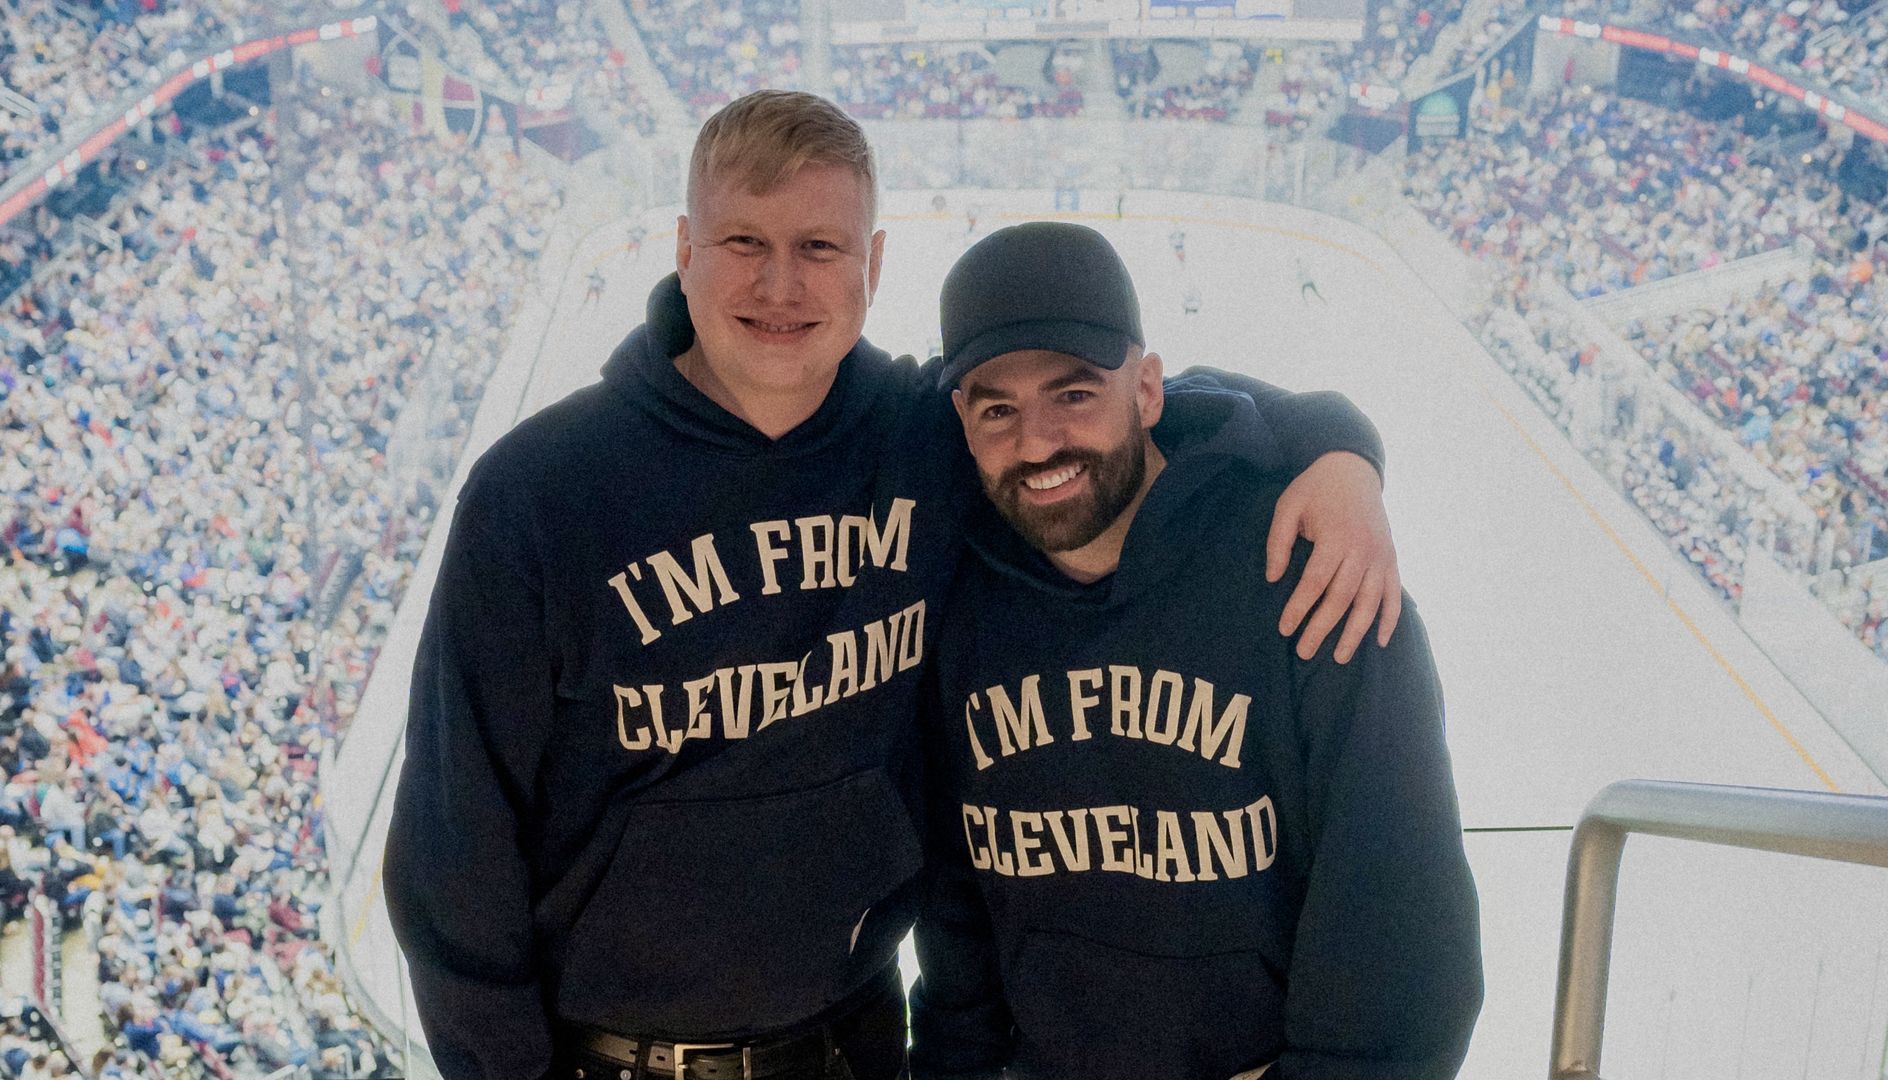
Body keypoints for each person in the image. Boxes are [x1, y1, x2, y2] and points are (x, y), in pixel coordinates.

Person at [385, 90, 1402, 1080]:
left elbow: (1123, 412)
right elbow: (452, 852)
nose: (781, 286)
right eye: (745, 242)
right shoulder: (537, 495)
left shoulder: (926, 433)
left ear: (870, 266)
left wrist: (1336, 445)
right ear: (685, 252)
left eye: (819, 248)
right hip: (618, 1058)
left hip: (859, 1039)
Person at [910, 223, 1483, 1080]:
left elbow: (1400, 926)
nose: (1037, 443)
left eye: (1074, 396)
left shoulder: (1315, 576)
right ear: (962, 419)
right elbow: (957, 913)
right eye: (1000, 408)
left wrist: (1340, 446)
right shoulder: (955, 602)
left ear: (1147, 389)